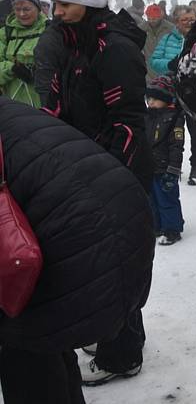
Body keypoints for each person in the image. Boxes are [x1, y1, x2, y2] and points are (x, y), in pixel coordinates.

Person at [43, 0, 154, 385]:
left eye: (65, 4)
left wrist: (109, 177)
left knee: (116, 263)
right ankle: (110, 333)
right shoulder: (76, 42)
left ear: (86, 3)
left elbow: (128, 121)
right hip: (86, 169)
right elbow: (68, 103)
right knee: (95, 264)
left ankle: (122, 351)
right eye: (55, 2)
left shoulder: (114, 49)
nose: (56, 11)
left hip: (115, 173)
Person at [0, 98, 154, 404]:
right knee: (46, 342)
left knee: (24, 349)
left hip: (83, 240)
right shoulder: (11, 111)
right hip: (124, 212)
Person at [150, 6, 196, 185]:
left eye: (192, 19)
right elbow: (154, 61)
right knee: (169, 130)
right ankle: (168, 165)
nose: (189, 23)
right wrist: (172, 64)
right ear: (177, 22)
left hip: (194, 92)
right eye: (185, 20)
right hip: (171, 92)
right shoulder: (167, 40)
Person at [145, 76, 185, 245]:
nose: (150, 102)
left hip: (165, 169)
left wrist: (173, 170)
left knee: (167, 199)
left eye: (155, 99)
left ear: (165, 99)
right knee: (152, 199)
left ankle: (172, 229)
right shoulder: (147, 116)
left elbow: (176, 146)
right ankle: (157, 225)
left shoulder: (174, 118)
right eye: (149, 98)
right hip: (149, 167)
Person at [0, 0, 47, 107]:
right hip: (11, 106)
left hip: (43, 107)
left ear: (38, 8)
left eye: (26, 9)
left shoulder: (50, 31)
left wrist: (40, 72)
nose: (21, 14)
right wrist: (12, 68)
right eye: (17, 9)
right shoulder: (5, 33)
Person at [140, 4, 173, 80]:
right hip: (148, 69)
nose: (151, 21)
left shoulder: (170, 29)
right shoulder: (141, 29)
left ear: (159, 17)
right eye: (149, 18)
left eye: (154, 19)